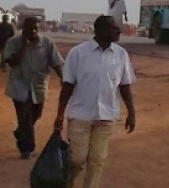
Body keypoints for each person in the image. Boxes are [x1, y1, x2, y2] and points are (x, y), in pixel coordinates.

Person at [54, 16, 136, 188]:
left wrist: (131, 112)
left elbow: (125, 86)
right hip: (80, 116)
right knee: (77, 159)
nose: (119, 31)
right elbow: (67, 86)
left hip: (106, 117)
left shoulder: (121, 55)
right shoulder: (78, 53)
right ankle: (67, 183)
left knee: (97, 160)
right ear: (101, 31)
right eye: (114, 28)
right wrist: (60, 115)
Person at [3, 16, 65, 159]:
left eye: (36, 28)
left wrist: (63, 78)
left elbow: (55, 62)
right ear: (23, 29)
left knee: (36, 115)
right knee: (25, 117)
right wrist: (23, 46)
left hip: (38, 86)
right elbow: (11, 62)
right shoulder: (13, 42)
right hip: (19, 86)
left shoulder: (47, 42)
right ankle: (27, 149)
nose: (33, 32)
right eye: (29, 29)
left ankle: (20, 132)